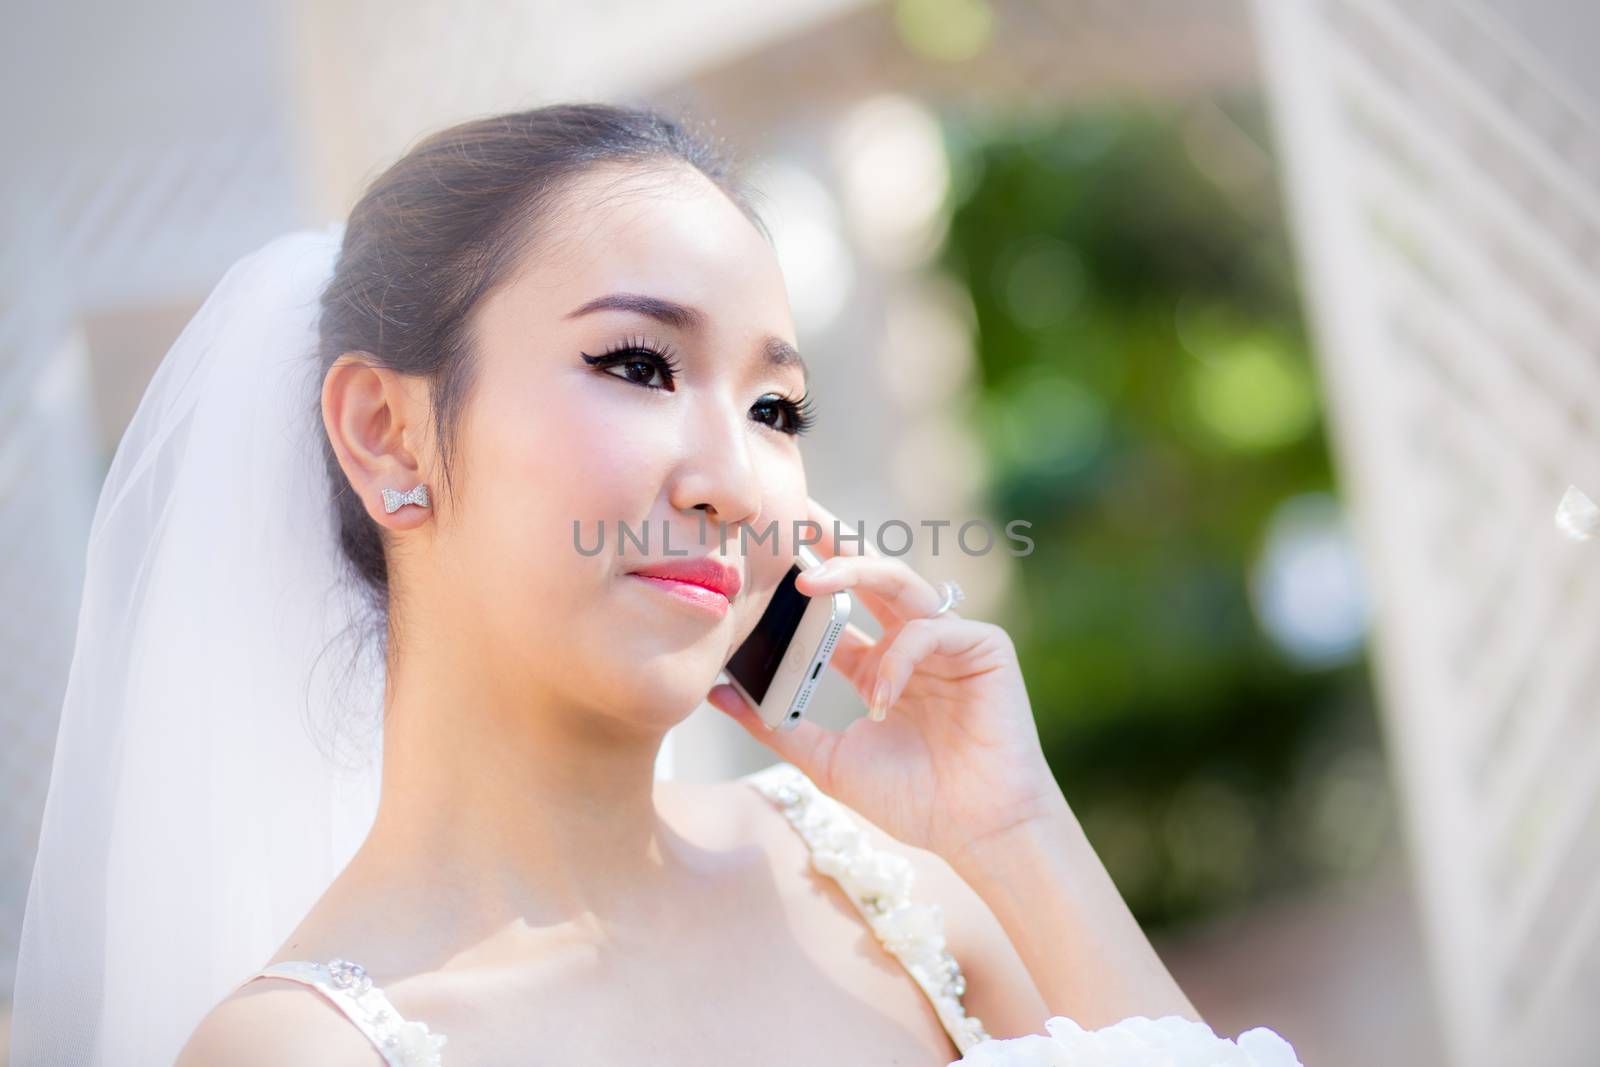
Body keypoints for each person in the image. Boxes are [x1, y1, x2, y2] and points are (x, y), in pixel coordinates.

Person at [11, 102, 1302, 1066]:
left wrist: (1013, 834)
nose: (736, 480)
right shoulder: (306, 1053)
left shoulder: (890, 897)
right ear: (389, 434)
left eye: (777, 405)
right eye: (637, 365)